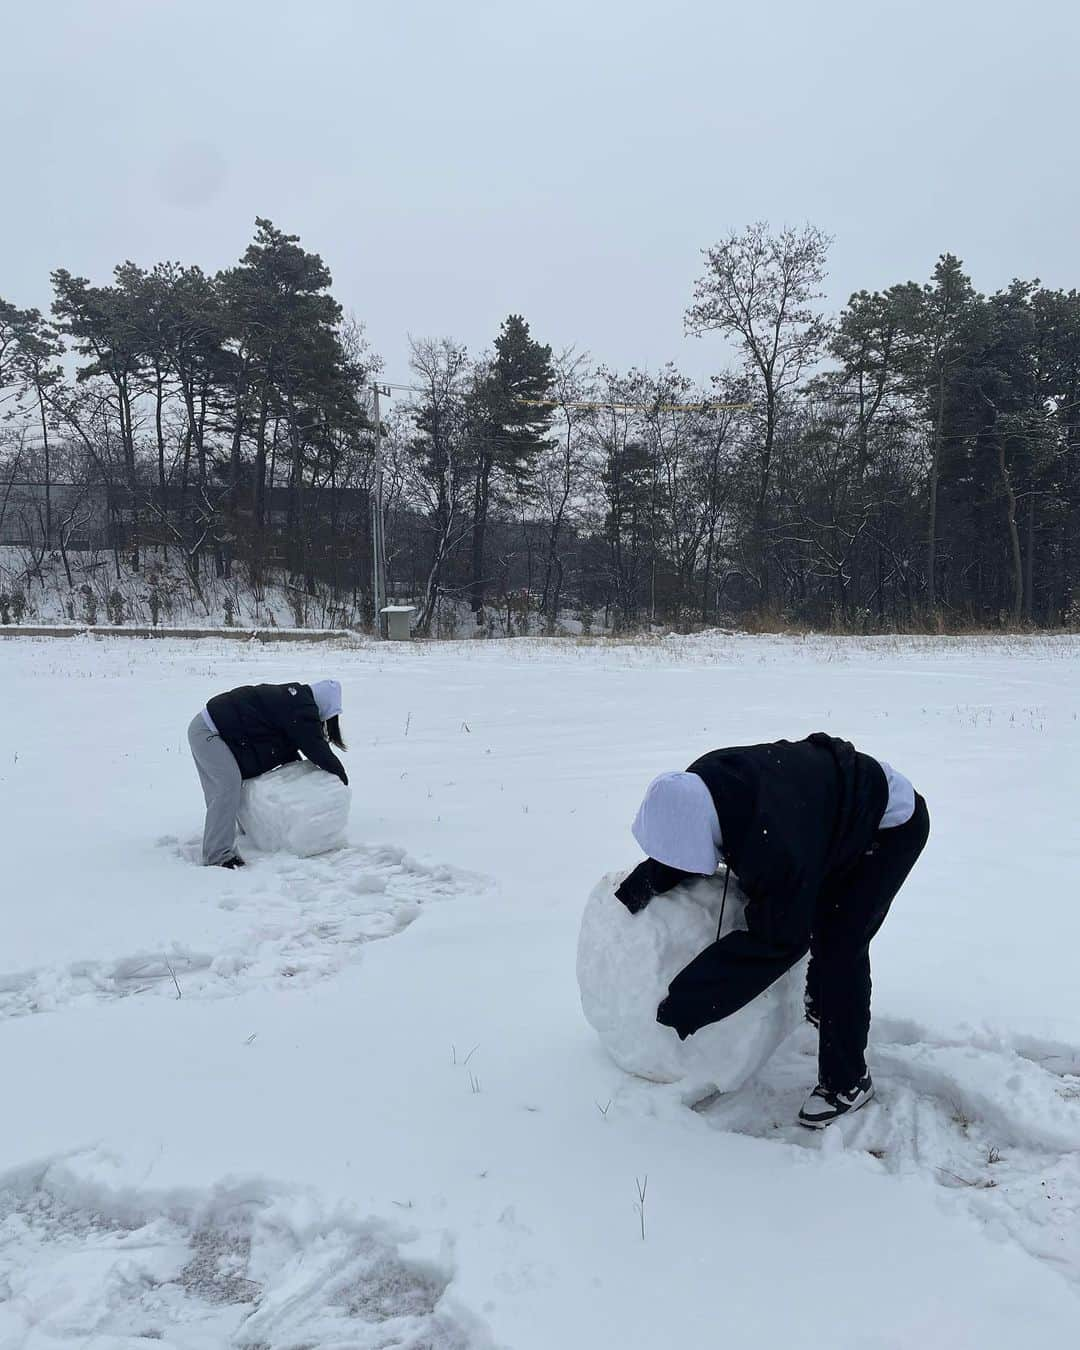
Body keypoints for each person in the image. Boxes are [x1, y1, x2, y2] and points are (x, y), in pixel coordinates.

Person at [616, 733, 929, 1128]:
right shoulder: (700, 789)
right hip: (825, 817)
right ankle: (820, 1004)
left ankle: (847, 1082)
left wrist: (688, 1002)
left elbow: (777, 939)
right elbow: (687, 836)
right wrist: (640, 887)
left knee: (839, 943)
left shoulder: (775, 843)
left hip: (888, 828)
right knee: (811, 907)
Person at [187, 679, 348, 869]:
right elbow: (315, 747)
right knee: (227, 786)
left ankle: (240, 834)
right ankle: (217, 856)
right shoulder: (299, 706)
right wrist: (340, 775)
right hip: (209, 732)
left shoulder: (293, 699)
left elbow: (286, 744)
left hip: (208, 728)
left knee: (226, 790)